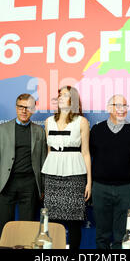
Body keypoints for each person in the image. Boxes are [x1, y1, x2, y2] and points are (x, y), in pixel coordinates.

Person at [0, 94, 47, 238]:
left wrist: (43, 187)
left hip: (30, 185)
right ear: (16, 108)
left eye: (28, 108)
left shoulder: (39, 131)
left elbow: (43, 161)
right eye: (21, 107)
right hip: (6, 184)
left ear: (33, 109)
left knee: (27, 230)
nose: (24, 111)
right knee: (5, 228)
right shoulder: (3, 129)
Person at [41, 86, 91, 249]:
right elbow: (49, 151)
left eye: (65, 95)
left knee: (74, 221)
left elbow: (85, 153)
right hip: (52, 176)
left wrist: (88, 182)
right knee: (52, 221)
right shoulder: (48, 122)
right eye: (59, 95)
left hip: (74, 175)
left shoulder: (81, 122)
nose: (61, 98)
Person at [90, 94, 130, 249]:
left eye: (125, 106)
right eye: (118, 105)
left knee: (121, 235)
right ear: (109, 108)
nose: (122, 110)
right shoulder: (97, 130)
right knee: (102, 234)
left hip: (125, 188)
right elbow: (89, 155)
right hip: (100, 188)